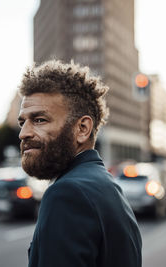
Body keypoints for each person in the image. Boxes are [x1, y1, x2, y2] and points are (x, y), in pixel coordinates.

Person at [17, 60, 142, 267]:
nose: (24, 133)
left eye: (39, 120)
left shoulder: (67, 193)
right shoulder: (105, 184)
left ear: (82, 128)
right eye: (22, 122)